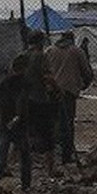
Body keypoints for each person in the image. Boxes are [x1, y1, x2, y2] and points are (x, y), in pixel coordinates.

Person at [45, 30, 93, 163]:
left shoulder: (50, 51)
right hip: (68, 92)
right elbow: (87, 72)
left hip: (51, 92)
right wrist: (84, 85)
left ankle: (51, 155)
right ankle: (66, 155)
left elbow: (44, 71)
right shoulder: (77, 52)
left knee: (52, 122)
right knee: (67, 123)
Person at [17, 31, 59, 179]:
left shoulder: (21, 57)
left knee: (24, 135)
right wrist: (55, 88)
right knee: (48, 136)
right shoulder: (41, 57)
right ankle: (50, 170)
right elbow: (47, 77)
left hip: (24, 101)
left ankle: (23, 171)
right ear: (40, 42)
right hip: (40, 100)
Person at [0, 53, 32, 191]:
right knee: (25, 155)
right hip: (20, 123)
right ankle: (26, 185)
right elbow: (24, 103)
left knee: (1, 153)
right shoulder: (26, 83)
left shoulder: (6, 82)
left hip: (5, 122)